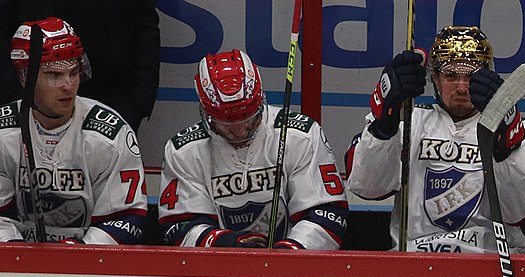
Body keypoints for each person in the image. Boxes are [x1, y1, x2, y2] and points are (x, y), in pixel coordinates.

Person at [345, 25, 525, 254]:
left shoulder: (524, 131)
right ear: (434, 77)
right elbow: (367, 187)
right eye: (451, 75)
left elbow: (523, 211)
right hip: (413, 263)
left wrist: (506, 147)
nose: (461, 87)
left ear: (488, 74)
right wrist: (384, 127)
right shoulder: (409, 122)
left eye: (471, 76)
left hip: (491, 263)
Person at [159, 49, 347, 250]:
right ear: (206, 112)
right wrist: (226, 244)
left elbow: (328, 213)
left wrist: (289, 254)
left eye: (246, 118)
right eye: (227, 123)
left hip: (296, 270)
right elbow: (178, 226)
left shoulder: (300, 135)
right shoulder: (184, 150)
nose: (239, 131)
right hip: (217, 272)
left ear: (260, 101)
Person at [0, 17, 146, 244]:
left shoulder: (109, 134)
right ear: (24, 77)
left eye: (74, 72)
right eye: (54, 76)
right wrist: (20, 256)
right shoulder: (4, 133)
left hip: (89, 265)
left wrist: (74, 255)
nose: (68, 85)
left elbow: (126, 218)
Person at [0, 1, 159, 132]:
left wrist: (140, 100)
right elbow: (4, 28)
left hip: (116, 96)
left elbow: (146, 27)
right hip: (36, 98)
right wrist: (16, 96)